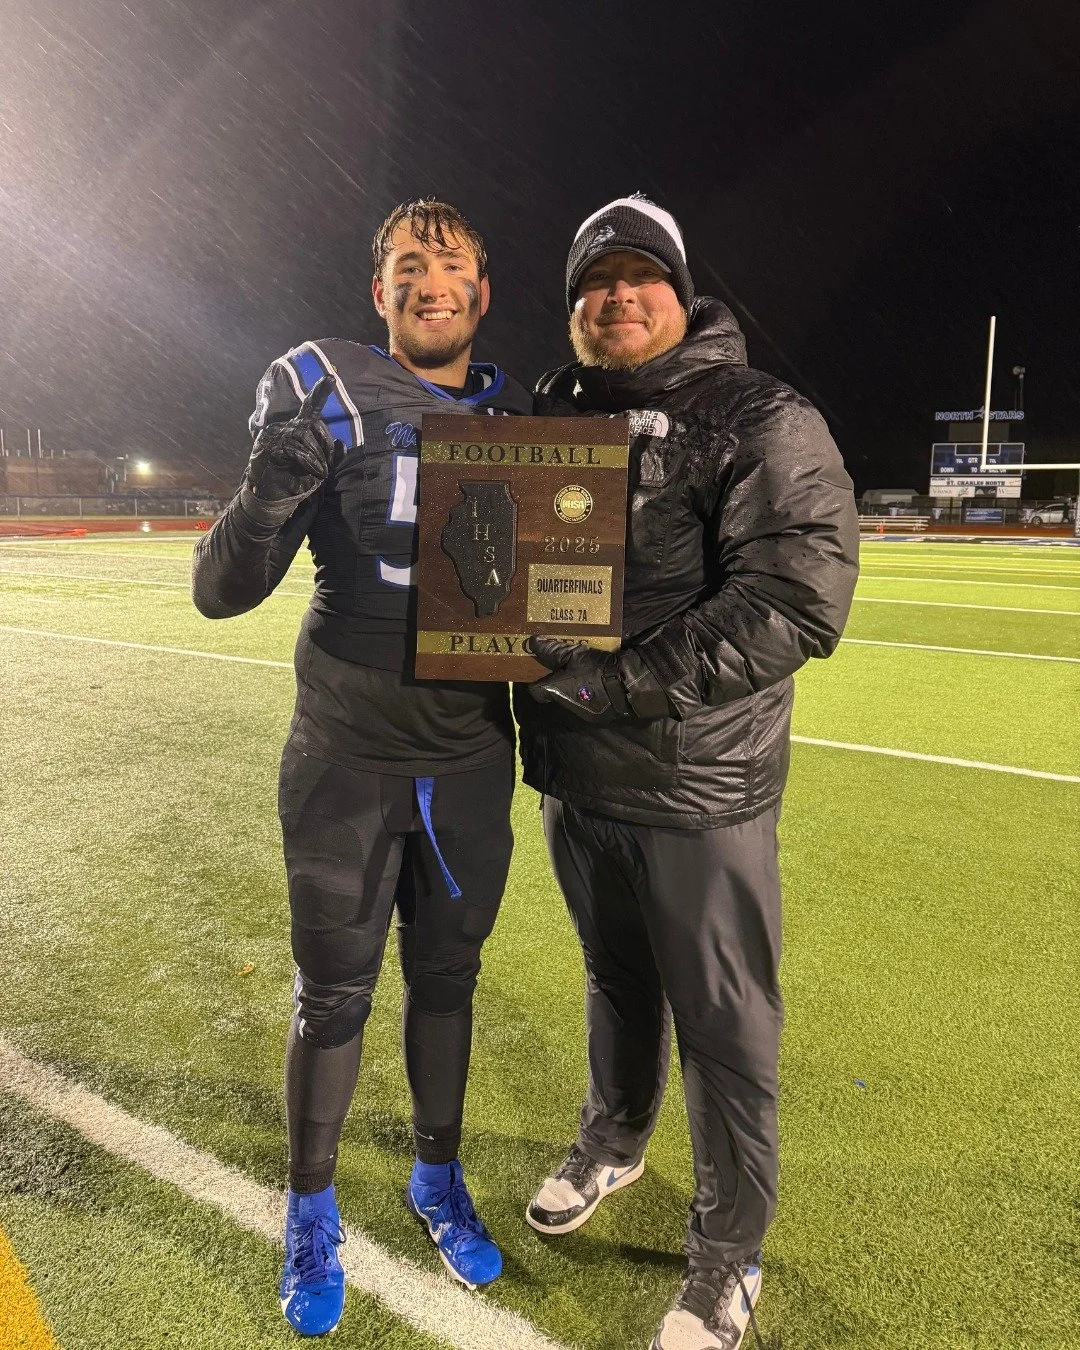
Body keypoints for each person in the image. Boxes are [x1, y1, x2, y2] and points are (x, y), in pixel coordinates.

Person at [515, 195, 860, 1350]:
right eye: (593, 282)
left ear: (680, 292)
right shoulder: (553, 415)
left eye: (638, 276)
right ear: (573, 309)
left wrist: (613, 685)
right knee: (615, 981)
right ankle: (615, 1140)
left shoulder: (759, 414)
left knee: (723, 1021)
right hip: (576, 773)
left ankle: (727, 1251)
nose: (615, 296)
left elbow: (795, 601)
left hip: (699, 787)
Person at [191, 199, 531, 1337]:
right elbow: (220, 591)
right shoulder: (324, 386)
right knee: (333, 992)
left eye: (452, 263)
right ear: (379, 292)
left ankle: (437, 1177)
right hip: (345, 757)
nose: (431, 280)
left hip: (470, 758)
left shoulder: (525, 419)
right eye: (408, 265)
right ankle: (309, 1208)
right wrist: (267, 489)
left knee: (448, 983)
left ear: (481, 291)